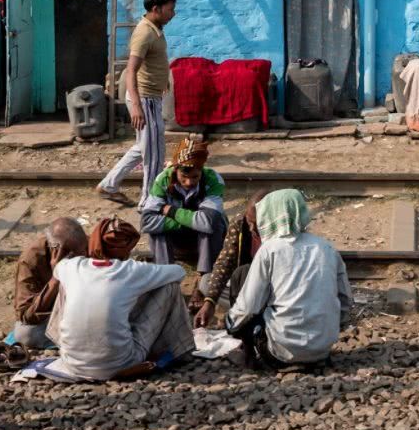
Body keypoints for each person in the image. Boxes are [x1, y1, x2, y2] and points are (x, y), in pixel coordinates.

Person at [45, 226, 196, 382]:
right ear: (126, 250)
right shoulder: (131, 269)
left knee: (64, 283)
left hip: (73, 365)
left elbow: (57, 268)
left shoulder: (71, 266)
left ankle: (62, 343)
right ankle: (179, 349)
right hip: (121, 365)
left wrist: (57, 265)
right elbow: (179, 272)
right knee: (170, 286)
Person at [225, 189, 352, 369]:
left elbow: (248, 306)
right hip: (323, 350)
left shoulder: (269, 250)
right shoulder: (327, 248)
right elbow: (345, 300)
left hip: (278, 354)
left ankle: (248, 357)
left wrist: (230, 325)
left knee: (241, 275)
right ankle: (313, 355)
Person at [96, 0, 176, 208]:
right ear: (156, 8)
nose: (173, 13)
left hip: (151, 97)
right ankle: (149, 202)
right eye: (170, 9)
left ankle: (109, 185)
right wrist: (138, 107)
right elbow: (131, 70)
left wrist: (164, 80)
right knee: (154, 154)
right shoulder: (144, 33)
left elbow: (153, 62)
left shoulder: (155, 29)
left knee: (143, 148)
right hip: (145, 100)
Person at [141, 139, 229, 309]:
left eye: (195, 177)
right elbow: (146, 222)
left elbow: (208, 222)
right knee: (157, 231)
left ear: (201, 171)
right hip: (178, 239)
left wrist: (171, 211)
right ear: (176, 169)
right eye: (184, 177)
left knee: (215, 223)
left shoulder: (212, 179)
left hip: (203, 240)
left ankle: (202, 283)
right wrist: (189, 221)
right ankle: (167, 284)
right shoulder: (162, 180)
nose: (189, 183)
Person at [194, 189, 268, 329]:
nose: (251, 228)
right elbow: (225, 262)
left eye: (257, 224)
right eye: (249, 221)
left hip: (270, 293)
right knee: (206, 282)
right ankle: (244, 311)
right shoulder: (240, 224)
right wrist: (209, 303)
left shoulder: (283, 233)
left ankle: (249, 315)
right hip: (244, 288)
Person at [12, 218, 90, 349]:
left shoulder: (87, 244)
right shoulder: (31, 259)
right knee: (25, 334)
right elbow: (26, 316)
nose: (83, 257)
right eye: (77, 256)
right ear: (57, 251)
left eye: (83, 252)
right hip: (56, 314)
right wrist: (56, 277)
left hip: (86, 309)